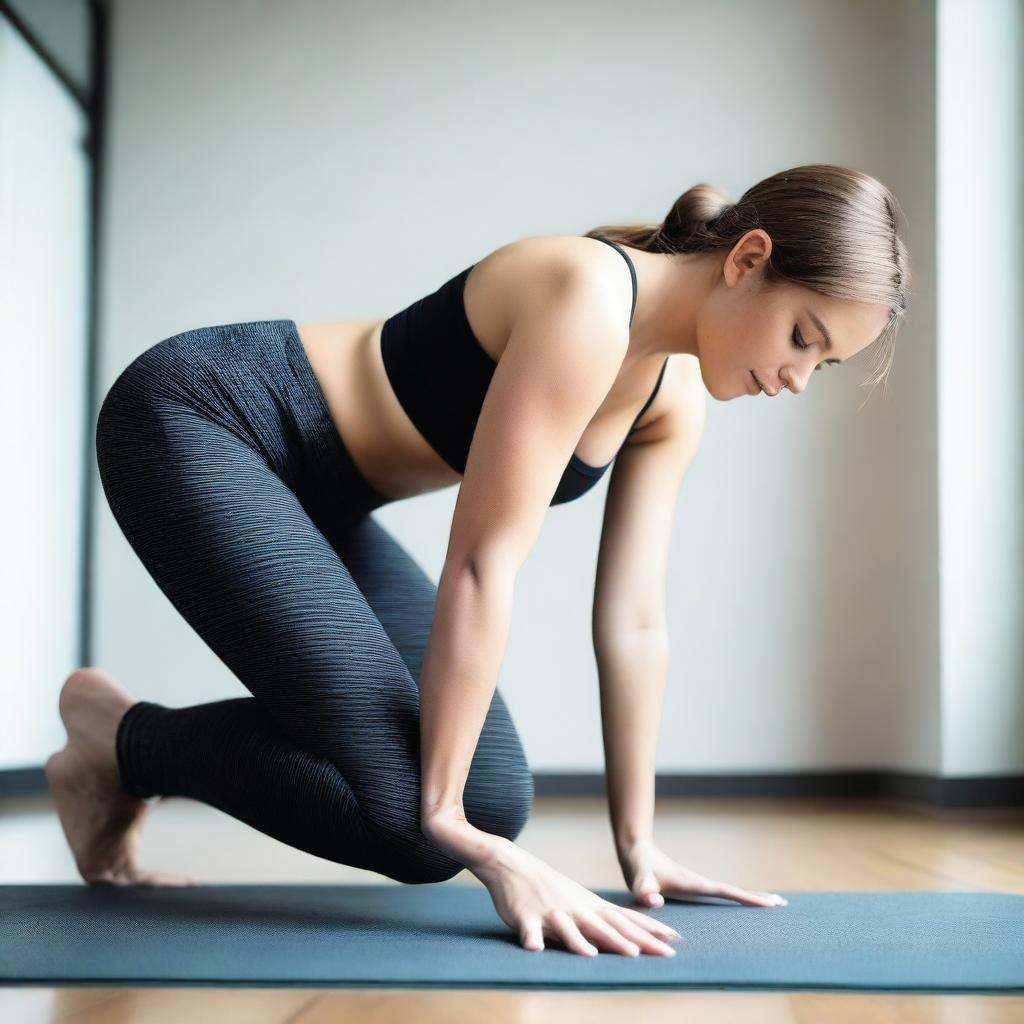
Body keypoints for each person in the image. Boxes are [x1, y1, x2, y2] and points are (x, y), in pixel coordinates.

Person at [46, 163, 909, 958]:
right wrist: (450, 828)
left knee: (491, 799)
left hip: (324, 499)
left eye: (823, 365)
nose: (797, 378)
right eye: (803, 336)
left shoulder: (673, 397)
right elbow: (482, 565)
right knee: (423, 823)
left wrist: (639, 847)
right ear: (748, 259)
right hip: (203, 421)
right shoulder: (588, 295)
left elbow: (635, 620)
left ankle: (120, 752)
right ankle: (117, 743)